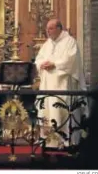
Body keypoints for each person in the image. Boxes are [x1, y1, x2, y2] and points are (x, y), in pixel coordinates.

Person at [35, 19, 86, 148]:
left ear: (59, 28)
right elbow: (39, 58)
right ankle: (48, 140)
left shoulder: (70, 42)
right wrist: (41, 64)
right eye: (47, 29)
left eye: (50, 28)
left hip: (62, 83)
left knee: (61, 109)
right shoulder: (48, 43)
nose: (47, 31)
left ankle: (66, 140)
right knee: (48, 109)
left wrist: (55, 64)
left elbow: (71, 59)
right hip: (48, 84)